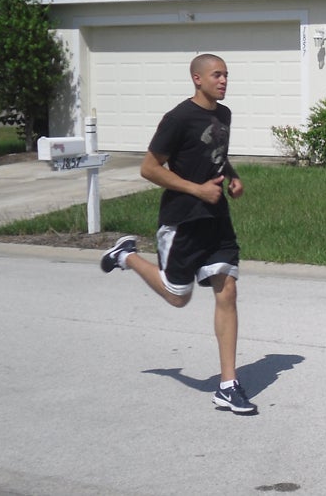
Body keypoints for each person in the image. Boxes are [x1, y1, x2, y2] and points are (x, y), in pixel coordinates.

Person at [99, 53, 256, 415]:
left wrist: (231, 176)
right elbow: (149, 168)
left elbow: (215, 154)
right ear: (197, 79)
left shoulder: (224, 115)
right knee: (177, 296)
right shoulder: (178, 118)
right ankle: (126, 255)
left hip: (216, 219)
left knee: (227, 290)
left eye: (226, 75)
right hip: (183, 220)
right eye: (217, 75)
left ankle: (228, 385)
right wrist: (197, 190)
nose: (223, 81)